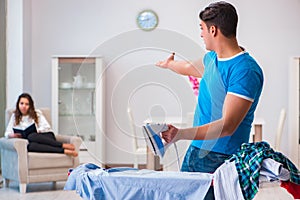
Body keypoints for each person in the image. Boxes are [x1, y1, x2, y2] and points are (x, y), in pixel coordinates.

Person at [156, 1, 264, 199]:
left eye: (202, 28)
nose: (201, 34)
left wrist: (180, 134)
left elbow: (228, 126)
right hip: (197, 150)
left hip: (220, 158)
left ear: (213, 29)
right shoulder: (211, 59)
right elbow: (189, 68)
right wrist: (169, 65)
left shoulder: (244, 70)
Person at [5, 92, 78, 157]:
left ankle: (62, 145)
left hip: (46, 137)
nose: (24, 106)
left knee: (31, 136)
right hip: (33, 142)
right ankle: (63, 151)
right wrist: (12, 135)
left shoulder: (36, 113)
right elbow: (7, 133)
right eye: (21, 103)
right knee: (30, 146)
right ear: (18, 104)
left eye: (27, 104)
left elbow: (47, 127)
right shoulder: (14, 116)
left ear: (30, 106)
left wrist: (38, 130)